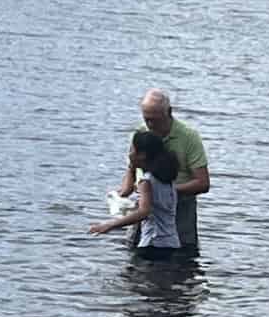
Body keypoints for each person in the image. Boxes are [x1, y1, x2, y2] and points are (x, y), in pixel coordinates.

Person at [117, 89, 209, 256]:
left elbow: (203, 183)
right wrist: (125, 191)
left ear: (169, 112)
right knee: (134, 252)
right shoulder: (141, 133)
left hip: (179, 206)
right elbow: (132, 167)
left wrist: (164, 191)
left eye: (155, 120)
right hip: (143, 204)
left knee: (182, 255)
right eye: (146, 119)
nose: (150, 125)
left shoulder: (188, 137)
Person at [89, 131, 182, 259]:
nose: (129, 154)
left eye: (132, 150)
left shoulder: (146, 181)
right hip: (172, 242)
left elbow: (144, 212)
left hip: (153, 243)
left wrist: (109, 225)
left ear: (142, 155)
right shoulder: (166, 179)